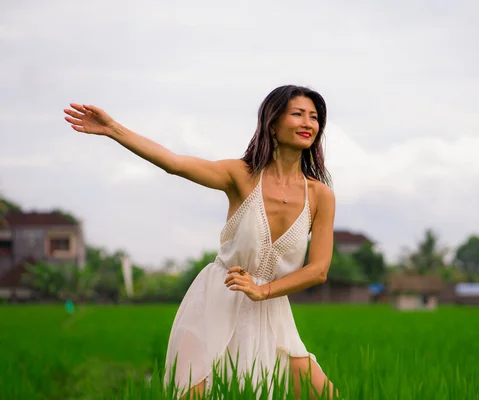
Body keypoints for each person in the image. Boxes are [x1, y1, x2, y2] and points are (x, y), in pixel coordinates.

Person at [63, 85, 337, 399]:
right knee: (195, 391)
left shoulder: (320, 195)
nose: (308, 123)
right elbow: (174, 163)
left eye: (314, 117)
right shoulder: (241, 175)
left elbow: (318, 270)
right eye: (298, 114)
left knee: (324, 394)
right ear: (273, 123)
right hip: (217, 299)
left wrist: (263, 291)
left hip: (271, 307)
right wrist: (113, 129)